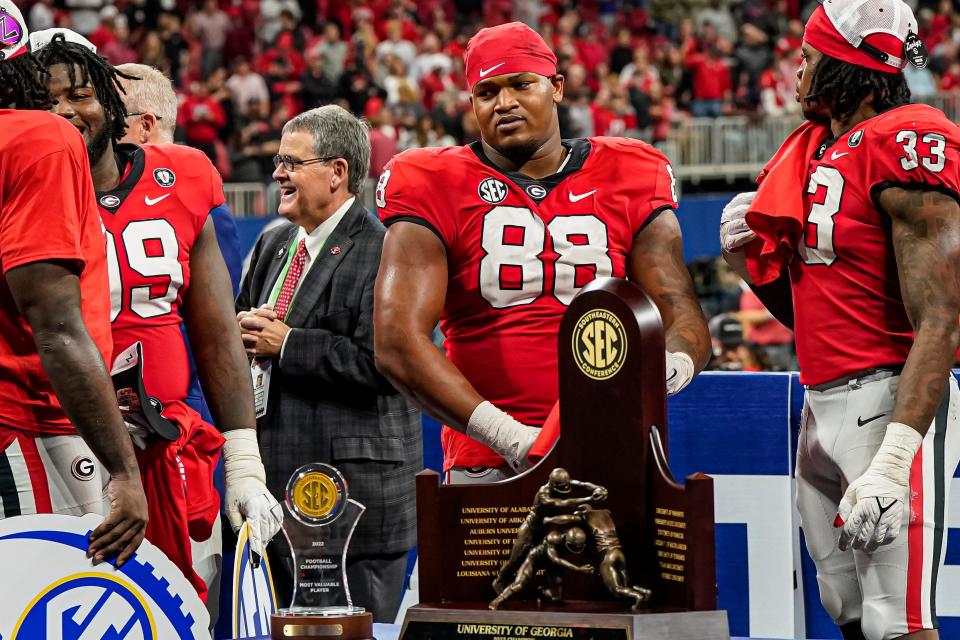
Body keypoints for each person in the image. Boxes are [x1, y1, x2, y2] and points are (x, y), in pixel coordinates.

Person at [374, 22, 710, 483]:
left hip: (610, 448)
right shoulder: (430, 180)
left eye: (520, 84)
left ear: (555, 88)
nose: (504, 103)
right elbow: (396, 342)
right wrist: (511, 437)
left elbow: (682, 315)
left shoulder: (632, 170)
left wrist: (661, 375)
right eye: (487, 91)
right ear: (471, 104)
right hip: (489, 460)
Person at [720, 1, 960, 638]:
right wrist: (752, 264)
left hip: (889, 403)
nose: (798, 71)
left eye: (808, 55)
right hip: (820, 401)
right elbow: (815, 315)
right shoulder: (820, 149)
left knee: (896, 622)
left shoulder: (907, 139)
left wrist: (894, 458)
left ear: (848, 64)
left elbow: (942, 318)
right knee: (846, 610)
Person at [35, 36, 281, 602]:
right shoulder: (26, 186)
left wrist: (244, 457)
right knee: (72, 603)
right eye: (46, 102)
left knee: (180, 607)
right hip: (60, 436)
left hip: (167, 438)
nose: (67, 112)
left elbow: (217, 330)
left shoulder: (184, 174)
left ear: (113, 103)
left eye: (81, 94)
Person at [235, 105, 422, 623]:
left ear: (337, 172)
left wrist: (288, 343)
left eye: (292, 162)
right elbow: (249, 339)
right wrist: (243, 332)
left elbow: (388, 363)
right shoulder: (274, 243)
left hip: (355, 498)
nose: (277, 173)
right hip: (277, 492)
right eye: (278, 161)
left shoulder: (387, 250)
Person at [0, 0, 146, 565]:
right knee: (52, 605)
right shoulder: (37, 138)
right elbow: (57, 328)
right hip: (25, 421)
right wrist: (124, 471)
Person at [493, 468, 606, 594]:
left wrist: (597, 489)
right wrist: (589, 499)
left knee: (546, 559)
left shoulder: (562, 482)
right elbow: (562, 503)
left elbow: (582, 484)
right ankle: (499, 581)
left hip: (544, 530)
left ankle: (549, 590)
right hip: (530, 530)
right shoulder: (543, 494)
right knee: (515, 560)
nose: (565, 490)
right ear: (552, 484)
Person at [544, 505, 652, 610]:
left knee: (616, 589)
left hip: (608, 555)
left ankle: (638, 597)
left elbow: (567, 518)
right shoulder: (605, 513)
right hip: (618, 551)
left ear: (583, 512)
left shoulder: (587, 516)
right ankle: (644, 592)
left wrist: (549, 520)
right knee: (626, 585)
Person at [488, 526, 594, 610]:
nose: (576, 549)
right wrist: (578, 569)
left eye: (578, 546)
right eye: (575, 546)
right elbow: (555, 559)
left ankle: (541, 591)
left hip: (551, 564)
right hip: (535, 559)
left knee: (556, 597)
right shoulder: (553, 537)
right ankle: (497, 601)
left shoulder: (576, 542)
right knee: (519, 584)